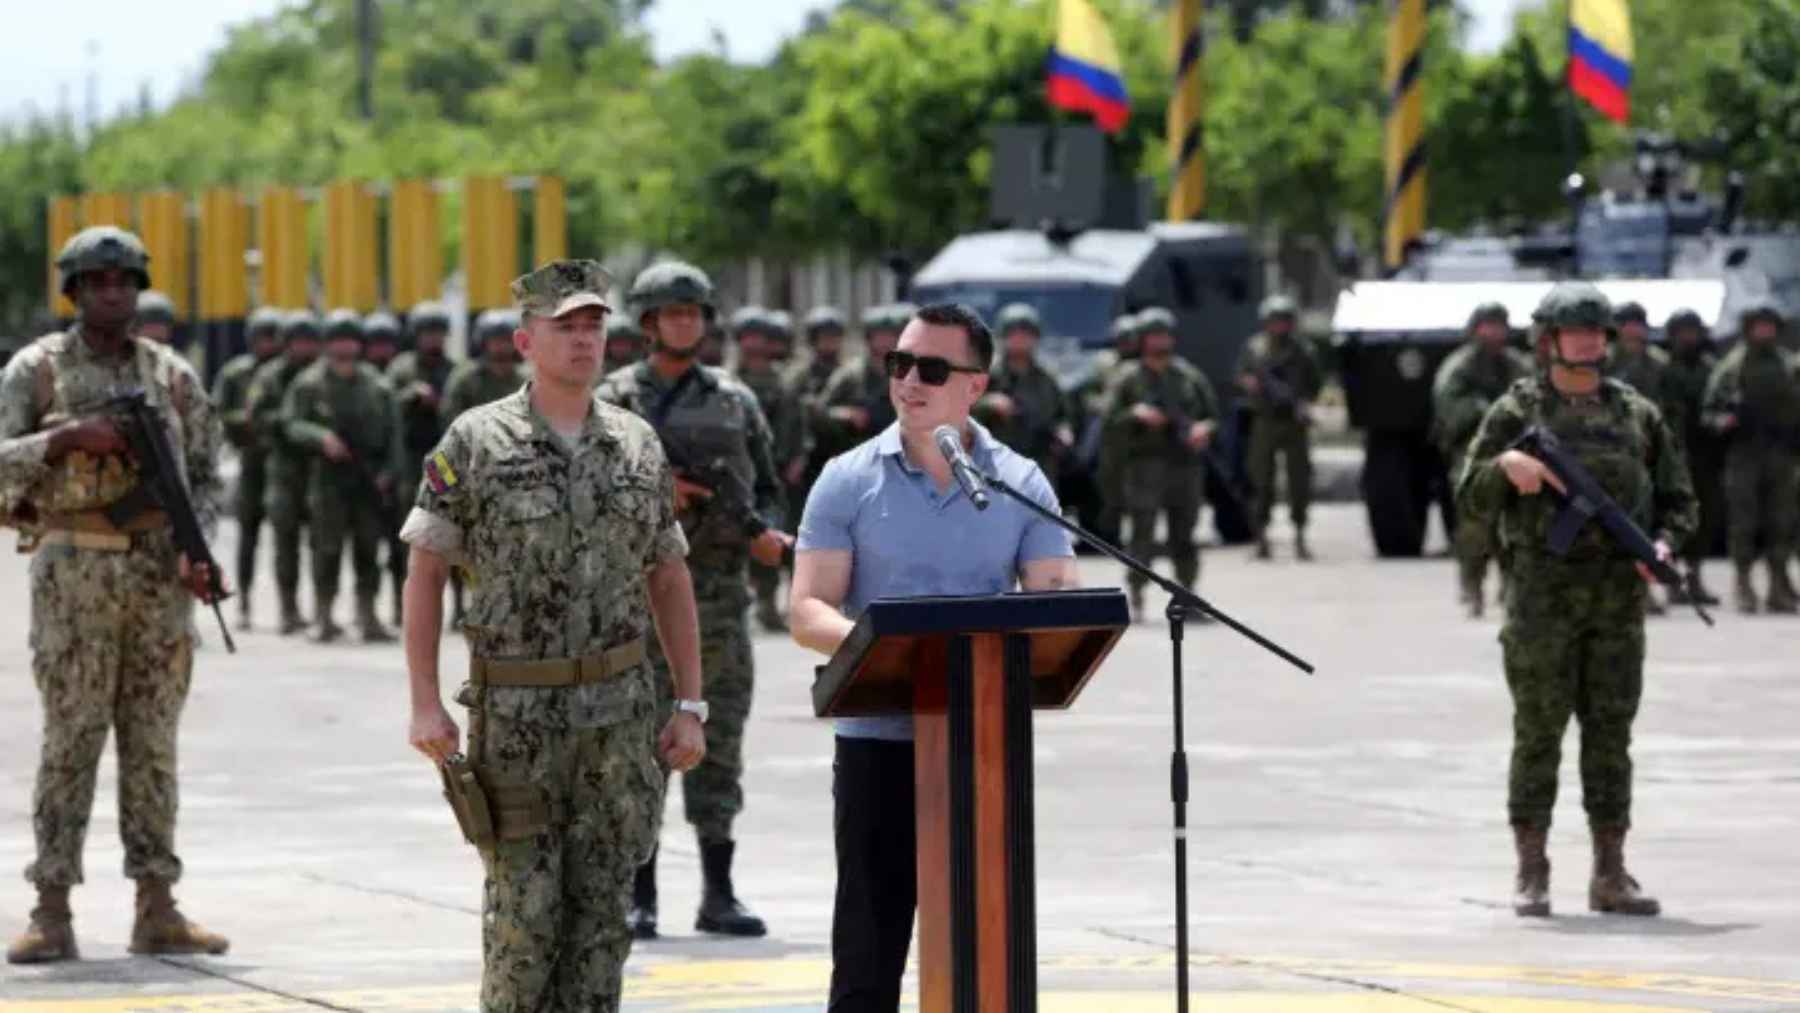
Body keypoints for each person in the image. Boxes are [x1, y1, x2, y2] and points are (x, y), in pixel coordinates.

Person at [401, 258, 706, 1012]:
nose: (582, 342)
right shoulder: (475, 440)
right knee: (523, 920)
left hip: (620, 715)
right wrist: (424, 704)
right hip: (518, 721)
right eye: (564, 327)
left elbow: (668, 575)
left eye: (593, 326)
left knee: (603, 920)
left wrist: (691, 702)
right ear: (524, 341)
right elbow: (426, 571)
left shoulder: (637, 444)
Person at [789, 302, 1077, 1010]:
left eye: (932, 369)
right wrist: (885, 644)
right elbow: (807, 608)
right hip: (878, 742)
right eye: (900, 364)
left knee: (987, 944)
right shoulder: (848, 478)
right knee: (868, 948)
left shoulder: (1018, 481)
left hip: (981, 743)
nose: (909, 381)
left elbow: (1055, 601)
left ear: (974, 386)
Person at [1, 226, 230, 963]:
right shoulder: (35, 372)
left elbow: (205, 473)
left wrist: (201, 553)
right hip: (74, 576)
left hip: (159, 580)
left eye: (125, 281)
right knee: (71, 741)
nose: (112, 293)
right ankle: (51, 906)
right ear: (73, 290)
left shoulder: (171, 375)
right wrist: (65, 440)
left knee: (152, 745)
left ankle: (156, 902)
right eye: (97, 281)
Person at [1457, 281, 1695, 919]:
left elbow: (1679, 500)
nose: (1589, 341)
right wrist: (1507, 468)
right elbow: (1467, 494)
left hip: (1616, 605)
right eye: (1576, 331)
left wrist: (1666, 547)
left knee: (1610, 738)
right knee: (1538, 736)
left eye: (1597, 332)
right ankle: (1532, 870)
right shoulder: (1517, 412)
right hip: (1541, 603)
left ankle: (1610, 873)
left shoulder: (1636, 414)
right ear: (1549, 340)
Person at [597, 261, 792, 941]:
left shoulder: (737, 401)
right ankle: (639, 894)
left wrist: (767, 532)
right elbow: (584, 495)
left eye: (695, 312)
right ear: (647, 322)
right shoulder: (612, 401)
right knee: (637, 749)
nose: (687, 323)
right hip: (635, 604)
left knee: (720, 743)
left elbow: (768, 487)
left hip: (718, 602)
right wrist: (659, 498)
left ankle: (719, 890)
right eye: (673, 313)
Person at [280, 309, 398, 643]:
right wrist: (321, 438)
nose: (344, 347)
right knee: (325, 550)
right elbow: (291, 423)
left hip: (368, 481)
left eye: (349, 340)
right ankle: (324, 616)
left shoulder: (378, 385)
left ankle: (368, 616)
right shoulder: (308, 384)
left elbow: (394, 437)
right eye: (337, 340)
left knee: (368, 550)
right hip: (328, 481)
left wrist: (389, 474)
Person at [1100, 307, 1219, 619]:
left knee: (1185, 533)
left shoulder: (1188, 376)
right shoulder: (1127, 377)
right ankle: (1136, 594)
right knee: (1142, 534)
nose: (1159, 341)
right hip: (1144, 467)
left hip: (1185, 466)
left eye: (1164, 335)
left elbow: (1213, 415)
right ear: (1142, 339)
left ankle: (1188, 594)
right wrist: (1135, 414)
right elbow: (1108, 419)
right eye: (1153, 335)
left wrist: (1203, 428)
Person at [1433, 302, 1533, 618]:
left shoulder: (1516, 365)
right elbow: (1448, 407)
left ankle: (1511, 587)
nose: (1494, 333)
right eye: (1488, 326)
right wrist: (1482, 411)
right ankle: (1472, 586)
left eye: (1499, 326)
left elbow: (1535, 401)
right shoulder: (1459, 368)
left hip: (1513, 453)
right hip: (1473, 455)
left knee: (1514, 524)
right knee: (1475, 528)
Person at [1702, 300, 1799, 614]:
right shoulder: (1732, 367)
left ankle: (1779, 584)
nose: (1764, 331)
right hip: (1744, 455)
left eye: (1769, 325)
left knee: (1782, 521)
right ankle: (1743, 584)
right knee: (1744, 523)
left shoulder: (1789, 366)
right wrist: (1725, 421)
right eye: (1759, 325)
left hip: (1781, 455)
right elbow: (1710, 413)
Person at [246, 310, 324, 634]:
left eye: (309, 342)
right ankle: (288, 608)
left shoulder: (322, 376)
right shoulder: (269, 376)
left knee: (322, 541)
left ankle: (322, 609)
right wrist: (288, 422)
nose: (304, 349)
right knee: (285, 541)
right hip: (283, 467)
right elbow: (256, 417)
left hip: (318, 468)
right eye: (298, 342)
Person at [211, 306, 286, 630]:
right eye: (261, 338)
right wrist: (244, 421)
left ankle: (289, 606)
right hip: (251, 459)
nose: (267, 345)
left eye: (272, 338)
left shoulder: (288, 372)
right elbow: (217, 414)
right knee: (248, 533)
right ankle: (244, 601)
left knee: (288, 536)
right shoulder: (235, 373)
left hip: (285, 461)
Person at [731, 305, 805, 632]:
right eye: (749, 337)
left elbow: (796, 423)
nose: (755, 345)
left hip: (774, 472)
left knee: (774, 535)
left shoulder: (783, 382)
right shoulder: (726, 381)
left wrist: (796, 457)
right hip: (738, 473)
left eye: (761, 338)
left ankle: (769, 601)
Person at [1236, 295, 1323, 560]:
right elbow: (1241, 375)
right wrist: (1250, 384)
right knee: (1261, 480)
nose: (1281, 327)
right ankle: (1261, 538)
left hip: (1294, 422)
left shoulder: (1303, 351)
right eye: (1276, 321)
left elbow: (1315, 383)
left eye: (1285, 321)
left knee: (1300, 480)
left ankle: (1300, 536)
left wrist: (1304, 403)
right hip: (1265, 421)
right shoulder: (1255, 349)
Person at [388, 301, 458, 622]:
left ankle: (460, 605)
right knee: (407, 534)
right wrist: (411, 396)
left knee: (452, 530)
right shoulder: (401, 369)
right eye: (428, 333)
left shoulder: (454, 370)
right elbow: (386, 408)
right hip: (411, 461)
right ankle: (402, 605)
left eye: (438, 333)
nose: (433, 339)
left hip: (442, 461)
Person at [1661, 308, 1724, 605]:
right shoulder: (1662, 368)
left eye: (1692, 331)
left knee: (1704, 519)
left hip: (1705, 456)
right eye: (1682, 332)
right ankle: (1673, 582)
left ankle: (1695, 579)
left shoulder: (1711, 369)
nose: (1688, 337)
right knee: (1673, 520)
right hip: (1670, 457)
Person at [974, 303, 1075, 486]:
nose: (1020, 339)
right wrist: (988, 403)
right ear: (1003, 336)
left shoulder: (1047, 377)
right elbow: (961, 411)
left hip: (1039, 463)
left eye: (1026, 334)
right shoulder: (986, 374)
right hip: (997, 462)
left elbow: (1061, 414)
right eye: (1014, 333)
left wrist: (1063, 431)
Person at [441, 308, 527, 422]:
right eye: (495, 340)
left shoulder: (527, 378)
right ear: (484, 342)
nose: (501, 346)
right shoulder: (466, 377)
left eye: (506, 340)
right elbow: (450, 415)